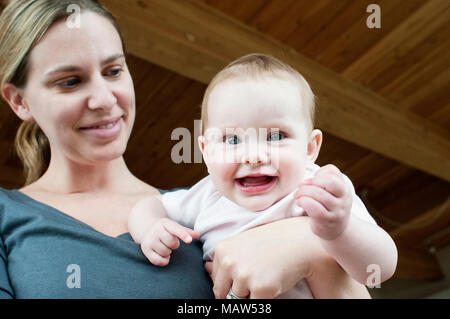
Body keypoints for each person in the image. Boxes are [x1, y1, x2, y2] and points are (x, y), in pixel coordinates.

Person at [0, 0, 372, 299]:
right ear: (19, 101)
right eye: (70, 81)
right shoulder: (7, 215)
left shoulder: (208, 210)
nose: (103, 98)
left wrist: (309, 244)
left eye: (114, 71)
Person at [128, 54, 398, 299]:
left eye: (276, 136)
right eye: (232, 139)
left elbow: (379, 269)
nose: (253, 156)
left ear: (309, 148)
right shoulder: (208, 194)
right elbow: (152, 204)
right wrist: (150, 227)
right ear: (206, 152)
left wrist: (341, 230)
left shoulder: (318, 191)